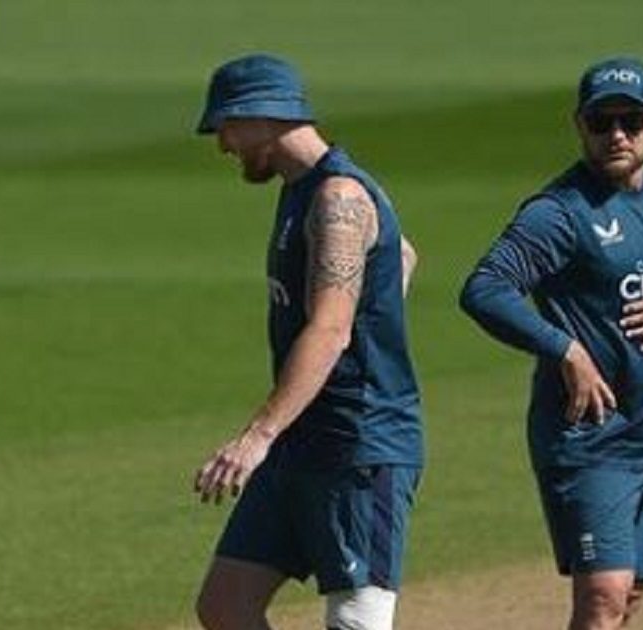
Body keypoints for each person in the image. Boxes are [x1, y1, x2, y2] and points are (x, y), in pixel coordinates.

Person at [459, 56, 643, 629]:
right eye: (601, 122)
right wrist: (565, 350)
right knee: (604, 597)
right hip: (587, 436)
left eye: (631, 120)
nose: (617, 134)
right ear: (580, 125)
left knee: (629, 594)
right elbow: (485, 288)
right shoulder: (559, 213)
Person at [191, 53, 423, 630]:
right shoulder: (303, 190)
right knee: (225, 606)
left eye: (226, 126)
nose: (223, 145)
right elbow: (403, 254)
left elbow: (330, 328)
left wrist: (257, 437)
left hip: (357, 445)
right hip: (304, 442)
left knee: (356, 621)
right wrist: (377, 311)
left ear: (261, 115)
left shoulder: (337, 196)